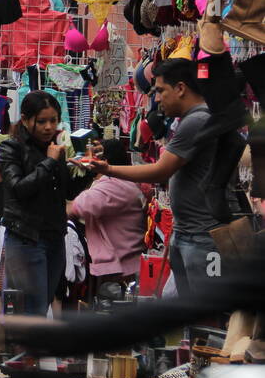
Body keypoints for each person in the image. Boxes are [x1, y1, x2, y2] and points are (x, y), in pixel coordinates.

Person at [78, 58, 222, 297]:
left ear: (181, 88)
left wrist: (109, 170)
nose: (156, 99)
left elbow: (160, 171)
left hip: (202, 236)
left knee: (204, 309)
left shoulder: (197, 120)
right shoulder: (193, 120)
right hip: (189, 232)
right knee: (180, 308)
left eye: (160, 91)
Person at [0, 90, 94, 317]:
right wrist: (50, 162)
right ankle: (26, 351)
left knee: (42, 304)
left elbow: (66, 191)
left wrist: (88, 170)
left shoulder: (54, 150)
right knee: (31, 309)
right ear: (25, 119)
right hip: (26, 238)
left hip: (54, 237)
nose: (49, 127)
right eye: (41, 121)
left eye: (53, 120)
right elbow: (18, 188)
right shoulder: (11, 148)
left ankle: (32, 350)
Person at [68, 137, 146, 299]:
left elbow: (78, 206)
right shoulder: (128, 181)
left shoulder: (112, 186)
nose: (92, 158)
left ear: (106, 160)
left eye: (97, 155)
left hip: (117, 267)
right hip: (127, 261)